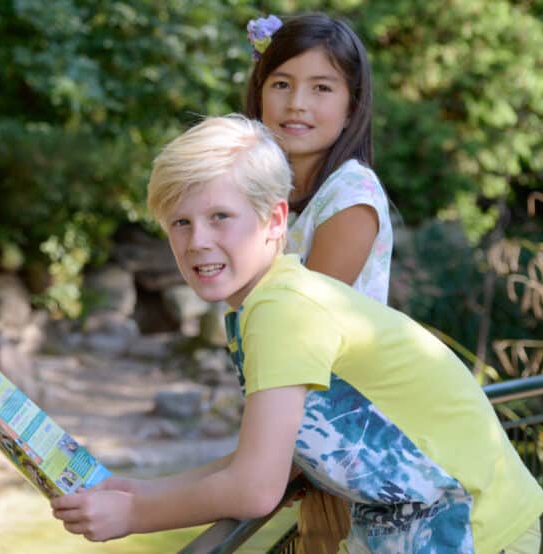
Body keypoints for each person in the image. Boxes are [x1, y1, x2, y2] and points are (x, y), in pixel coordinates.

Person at [50, 114, 543, 553]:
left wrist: (135, 517)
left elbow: (256, 488)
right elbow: (269, 460)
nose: (198, 241)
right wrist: (140, 490)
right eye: (180, 222)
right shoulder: (269, 300)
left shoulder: (282, 310)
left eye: (220, 216)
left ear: (274, 220)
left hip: (482, 529)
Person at [244, 13, 392, 548]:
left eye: (321, 88)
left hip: (357, 456)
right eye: (281, 84)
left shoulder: (350, 198)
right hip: (311, 446)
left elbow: (299, 345)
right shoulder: (269, 200)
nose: (296, 103)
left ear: (352, 103)